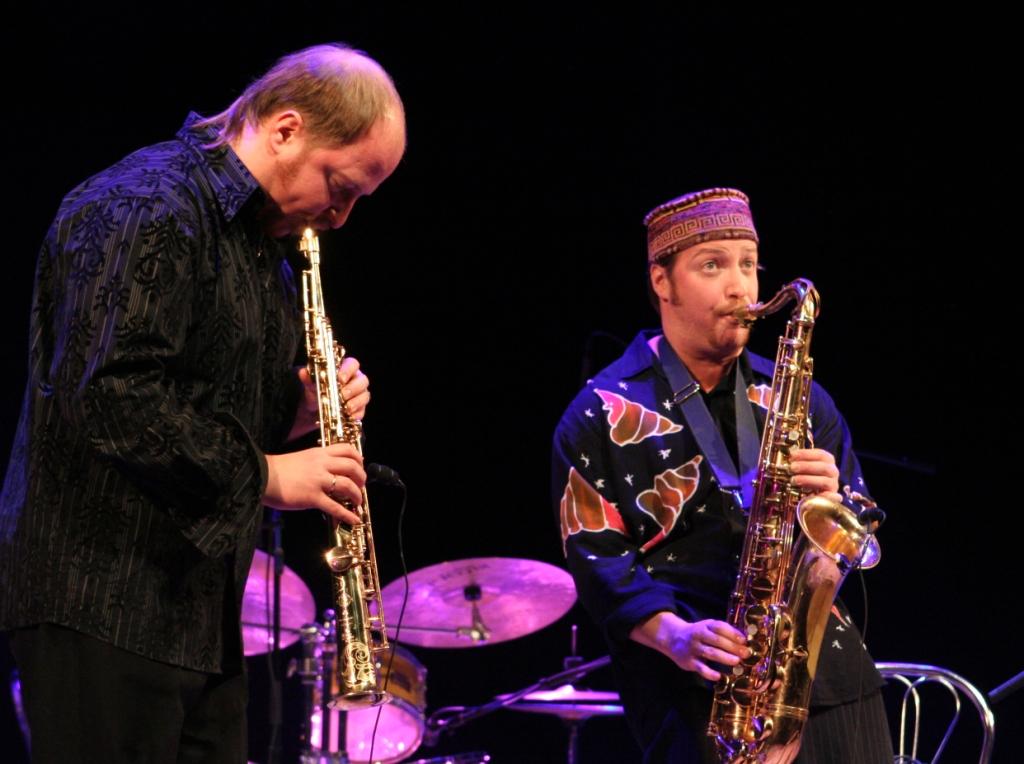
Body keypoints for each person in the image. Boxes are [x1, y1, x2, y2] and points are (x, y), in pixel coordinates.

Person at [0, 43, 405, 763]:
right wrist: (269, 474)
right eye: (340, 187)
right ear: (285, 129)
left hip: (197, 613)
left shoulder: (263, 253)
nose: (341, 217)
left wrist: (297, 413)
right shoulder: (145, 202)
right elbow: (112, 394)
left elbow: (206, 409)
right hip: (99, 597)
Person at [552, 188, 893, 763]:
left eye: (749, 265)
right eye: (712, 265)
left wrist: (834, 501)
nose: (741, 287)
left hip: (833, 686)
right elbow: (598, 563)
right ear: (662, 281)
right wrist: (674, 635)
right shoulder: (597, 413)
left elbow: (860, 533)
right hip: (700, 694)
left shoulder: (803, 399)